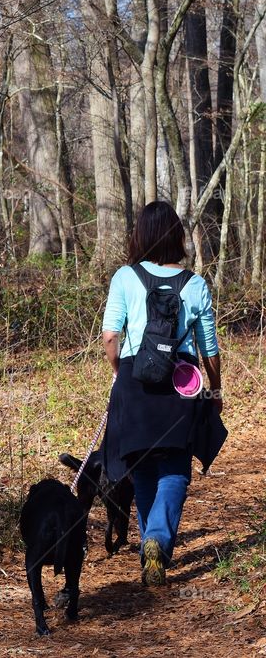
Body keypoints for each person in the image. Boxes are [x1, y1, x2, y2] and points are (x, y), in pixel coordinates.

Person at [100, 201, 222, 587]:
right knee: (174, 468)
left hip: (134, 379)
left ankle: (151, 545)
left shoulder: (124, 277)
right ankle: (157, 540)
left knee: (141, 466)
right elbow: (209, 347)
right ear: (177, 237)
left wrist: (122, 372)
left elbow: (109, 336)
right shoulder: (196, 284)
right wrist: (215, 391)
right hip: (182, 383)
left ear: (140, 235)